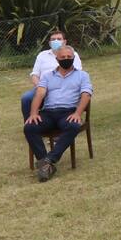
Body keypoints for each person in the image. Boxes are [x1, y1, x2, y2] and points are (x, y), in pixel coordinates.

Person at [23, 45, 93, 182]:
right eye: (63, 57)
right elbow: (39, 93)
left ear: (73, 58)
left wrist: (78, 113)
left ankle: (49, 160)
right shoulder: (47, 76)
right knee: (29, 127)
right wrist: (33, 113)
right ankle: (45, 164)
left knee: (73, 126)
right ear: (57, 59)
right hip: (48, 112)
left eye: (69, 57)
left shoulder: (82, 75)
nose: (66, 59)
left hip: (68, 112)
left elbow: (86, 94)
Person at [21, 29, 82, 120]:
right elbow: (35, 75)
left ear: (64, 42)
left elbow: (77, 74)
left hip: (64, 88)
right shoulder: (42, 55)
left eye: (59, 39)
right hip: (43, 87)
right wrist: (40, 87)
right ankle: (30, 123)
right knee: (26, 98)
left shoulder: (73, 55)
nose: (56, 41)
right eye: (53, 39)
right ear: (49, 43)